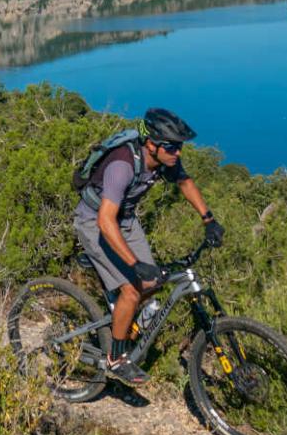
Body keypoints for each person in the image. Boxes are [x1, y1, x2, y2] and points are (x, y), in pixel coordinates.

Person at [73, 107, 223, 386]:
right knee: (132, 289)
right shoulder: (123, 165)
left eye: (179, 146)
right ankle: (115, 359)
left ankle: (120, 320)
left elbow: (184, 182)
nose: (177, 152)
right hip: (95, 221)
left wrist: (208, 219)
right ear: (151, 145)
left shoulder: (164, 159)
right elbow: (105, 222)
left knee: (153, 282)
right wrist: (133, 264)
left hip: (125, 219)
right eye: (172, 147)